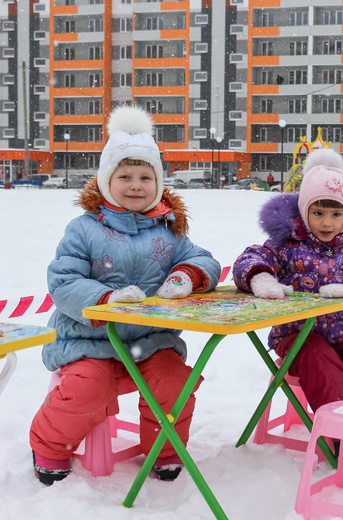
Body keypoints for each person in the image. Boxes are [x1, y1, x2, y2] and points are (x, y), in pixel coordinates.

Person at [30, 106, 222, 485]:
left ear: (158, 182)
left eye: (145, 177)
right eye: (125, 176)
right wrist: (105, 300)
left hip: (150, 341)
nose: (136, 185)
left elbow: (205, 260)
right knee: (88, 387)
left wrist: (188, 275)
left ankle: (164, 450)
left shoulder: (168, 231)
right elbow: (64, 280)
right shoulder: (83, 229)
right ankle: (50, 447)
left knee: (174, 384)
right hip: (90, 340)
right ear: (105, 180)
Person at [232, 148, 343, 443]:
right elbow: (249, 258)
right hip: (296, 337)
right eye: (318, 213)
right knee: (321, 363)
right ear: (304, 212)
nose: (326, 222)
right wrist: (261, 276)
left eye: (336, 214)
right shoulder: (287, 244)